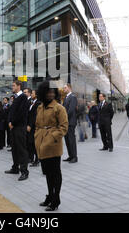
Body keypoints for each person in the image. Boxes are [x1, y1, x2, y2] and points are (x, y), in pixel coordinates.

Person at [35, 81, 69, 211]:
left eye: (52, 92)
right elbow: (38, 125)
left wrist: (51, 137)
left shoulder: (59, 108)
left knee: (55, 173)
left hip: (53, 145)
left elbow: (64, 127)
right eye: (48, 92)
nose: (50, 94)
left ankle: (56, 199)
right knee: (48, 173)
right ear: (43, 93)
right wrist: (37, 136)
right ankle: (50, 196)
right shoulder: (40, 107)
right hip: (41, 143)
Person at [5, 81, 30, 181]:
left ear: (19, 86)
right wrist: (9, 121)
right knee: (14, 148)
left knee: (21, 149)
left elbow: (21, 113)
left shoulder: (23, 97)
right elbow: (12, 111)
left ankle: (24, 171)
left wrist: (13, 123)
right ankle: (15, 168)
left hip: (20, 127)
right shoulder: (15, 97)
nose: (12, 87)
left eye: (14, 85)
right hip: (14, 127)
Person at [63, 83, 78, 163]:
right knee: (67, 140)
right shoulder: (66, 97)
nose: (64, 89)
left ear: (69, 88)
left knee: (71, 140)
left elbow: (71, 110)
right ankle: (70, 156)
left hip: (70, 122)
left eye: (65, 88)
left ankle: (74, 157)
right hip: (66, 122)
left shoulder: (73, 97)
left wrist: (63, 118)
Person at [25, 88, 41, 167]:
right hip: (29, 125)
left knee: (35, 144)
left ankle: (37, 160)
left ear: (36, 95)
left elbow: (34, 116)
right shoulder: (31, 102)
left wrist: (30, 125)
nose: (31, 95)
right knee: (30, 143)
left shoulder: (38, 103)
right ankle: (30, 158)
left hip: (34, 127)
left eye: (33, 93)